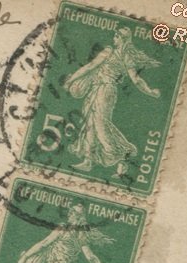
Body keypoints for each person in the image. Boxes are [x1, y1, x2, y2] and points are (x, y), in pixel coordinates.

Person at [64, 27, 161, 177]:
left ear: (122, 38)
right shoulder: (125, 56)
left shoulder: (111, 52)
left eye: (116, 36)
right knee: (90, 122)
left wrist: (71, 80)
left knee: (100, 124)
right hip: (98, 89)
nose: (114, 39)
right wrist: (150, 91)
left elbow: (90, 67)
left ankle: (120, 153)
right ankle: (88, 161)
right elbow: (136, 80)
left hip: (105, 91)